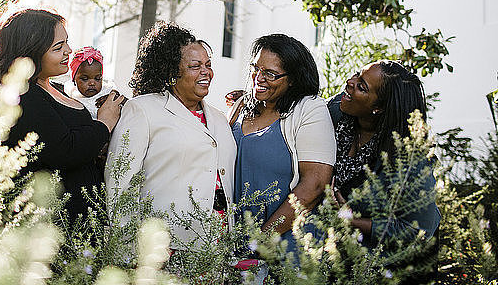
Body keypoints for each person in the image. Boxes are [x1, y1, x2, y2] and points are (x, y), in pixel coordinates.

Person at [0, 8, 125, 222]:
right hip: (49, 230)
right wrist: (103, 124)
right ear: (31, 53)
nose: (69, 51)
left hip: (81, 227)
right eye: (58, 47)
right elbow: (64, 150)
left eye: (66, 42)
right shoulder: (23, 96)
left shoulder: (57, 89)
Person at [105, 22, 237, 247]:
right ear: (171, 72)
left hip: (216, 245)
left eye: (208, 64)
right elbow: (120, 185)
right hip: (163, 248)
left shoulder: (219, 119)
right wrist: (130, 250)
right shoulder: (142, 110)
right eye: (195, 66)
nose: (206, 72)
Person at [328, 61, 440, 277]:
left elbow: (419, 230)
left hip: (394, 267)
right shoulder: (338, 113)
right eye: (355, 75)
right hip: (344, 256)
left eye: (361, 87)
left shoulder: (409, 158)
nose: (349, 83)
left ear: (378, 108)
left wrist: (353, 222)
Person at [228, 34, 336, 256]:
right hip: (234, 242)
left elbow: (315, 185)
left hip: (287, 245)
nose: (258, 77)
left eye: (270, 74)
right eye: (255, 68)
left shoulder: (310, 109)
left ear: (293, 79)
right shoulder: (241, 105)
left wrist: (259, 242)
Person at [63, 46, 116, 120]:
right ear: (74, 79)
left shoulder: (107, 93)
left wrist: (116, 100)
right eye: (85, 79)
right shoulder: (70, 94)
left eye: (97, 78)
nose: (92, 83)